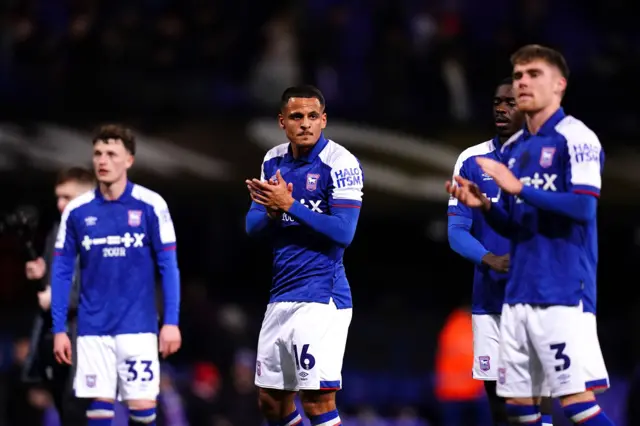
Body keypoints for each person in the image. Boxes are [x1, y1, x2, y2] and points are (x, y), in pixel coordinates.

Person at [446, 44, 612, 425]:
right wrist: (486, 207)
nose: (522, 82)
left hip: (562, 290)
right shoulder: (518, 150)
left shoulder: (577, 138)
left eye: (533, 74)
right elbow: (515, 225)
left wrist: (519, 189)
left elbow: (584, 208)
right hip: (518, 294)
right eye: (519, 74)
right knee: (518, 409)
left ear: (559, 85)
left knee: (577, 405)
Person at [245, 85, 363, 426]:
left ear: (324, 120)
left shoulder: (340, 163)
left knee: (317, 402)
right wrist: (270, 211)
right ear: (282, 122)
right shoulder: (273, 160)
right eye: (297, 117)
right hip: (281, 294)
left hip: (321, 297)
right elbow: (253, 228)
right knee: (271, 401)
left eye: (314, 116)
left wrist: (289, 205)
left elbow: (344, 232)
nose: (306, 124)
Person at [51, 124, 182, 426]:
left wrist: (171, 322)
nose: (102, 160)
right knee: (98, 411)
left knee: (143, 410)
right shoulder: (77, 211)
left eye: (111, 154)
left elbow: (169, 267)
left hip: (138, 327)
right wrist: (59, 328)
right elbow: (61, 271)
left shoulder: (151, 205)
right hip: (92, 329)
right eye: (98, 153)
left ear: (129, 160)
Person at [447, 79, 554, 426]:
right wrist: (488, 258)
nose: (500, 108)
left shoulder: (546, 157)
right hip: (489, 300)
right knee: (500, 409)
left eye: (510, 102)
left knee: (538, 403)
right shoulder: (471, 160)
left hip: (537, 298)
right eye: (497, 101)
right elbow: (456, 231)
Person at [23, 167, 95, 425]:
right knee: (62, 407)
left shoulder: (102, 235)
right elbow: (54, 281)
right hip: (55, 335)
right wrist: (41, 271)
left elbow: (98, 291)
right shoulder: (58, 230)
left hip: (86, 340)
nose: (59, 203)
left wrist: (59, 298)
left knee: (81, 408)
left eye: (67, 197)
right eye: (58, 197)